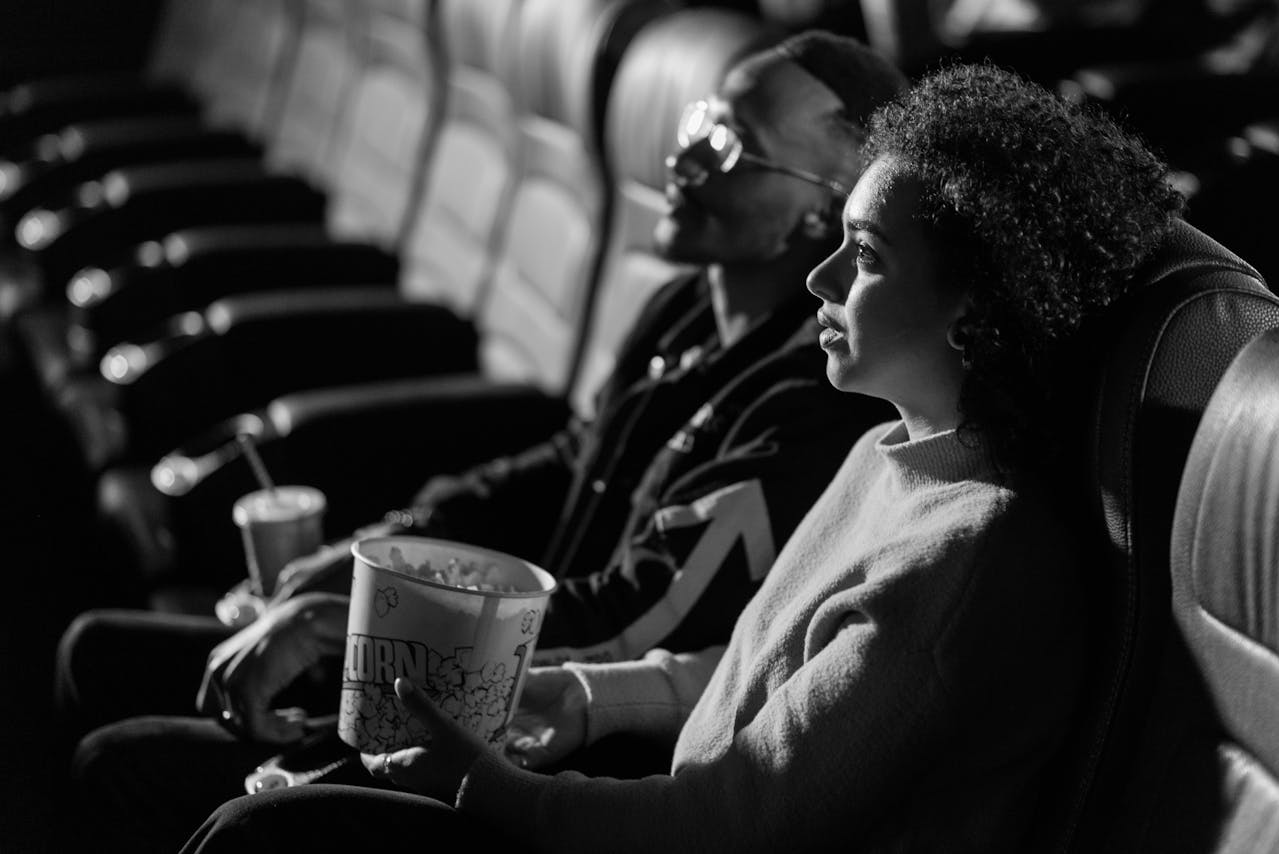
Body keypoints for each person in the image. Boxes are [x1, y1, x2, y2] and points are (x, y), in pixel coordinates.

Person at [180, 63, 1186, 853]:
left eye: (866, 255)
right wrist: (577, 698)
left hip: (663, 828)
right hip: (634, 787)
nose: (823, 276)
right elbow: (765, 677)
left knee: (255, 832)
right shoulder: (896, 451)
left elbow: (723, 827)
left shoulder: (970, 555)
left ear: (977, 308)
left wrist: (481, 783)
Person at [55, 32, 907, 853]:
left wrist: (376, 623)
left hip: (550, 744)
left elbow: (634, 615)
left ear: (816, 219)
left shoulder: (813, 401)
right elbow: (562, 464)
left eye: (727, 148)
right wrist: (380, 552)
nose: (681, 161)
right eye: (698, 124)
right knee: (97, 651)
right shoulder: (684, 306)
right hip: (474, 672)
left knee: (132, 771)